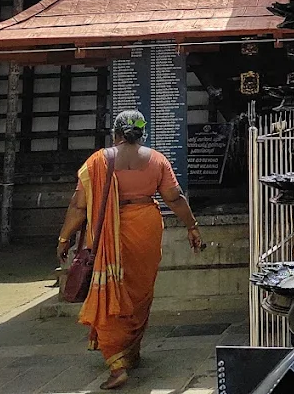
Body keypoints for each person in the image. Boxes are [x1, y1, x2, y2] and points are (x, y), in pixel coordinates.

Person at [57, 110, 203, 389]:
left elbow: (78, 206)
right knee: (139, 291)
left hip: (110, 233)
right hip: (146, 228)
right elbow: (174, 197)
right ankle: (131, 351)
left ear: (116, 133)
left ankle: (117, 364)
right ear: (142, 133)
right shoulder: (157, 160)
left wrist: (64, 238)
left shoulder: (97, 162)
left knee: (108, 290)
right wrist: (192, 226)